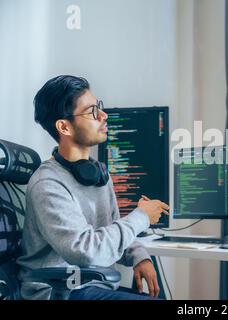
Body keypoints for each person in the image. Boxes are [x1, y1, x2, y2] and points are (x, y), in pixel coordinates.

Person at [17, 75, 169, 300]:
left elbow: (112, 230)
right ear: (64, 127)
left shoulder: (98, 174)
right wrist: (141, 217)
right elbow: (86, 252)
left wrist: (140, 256)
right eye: (92, 112)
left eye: (100, 108)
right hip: (60, 292)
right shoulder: (47, 184)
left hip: (92, 286)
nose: (104, 116)